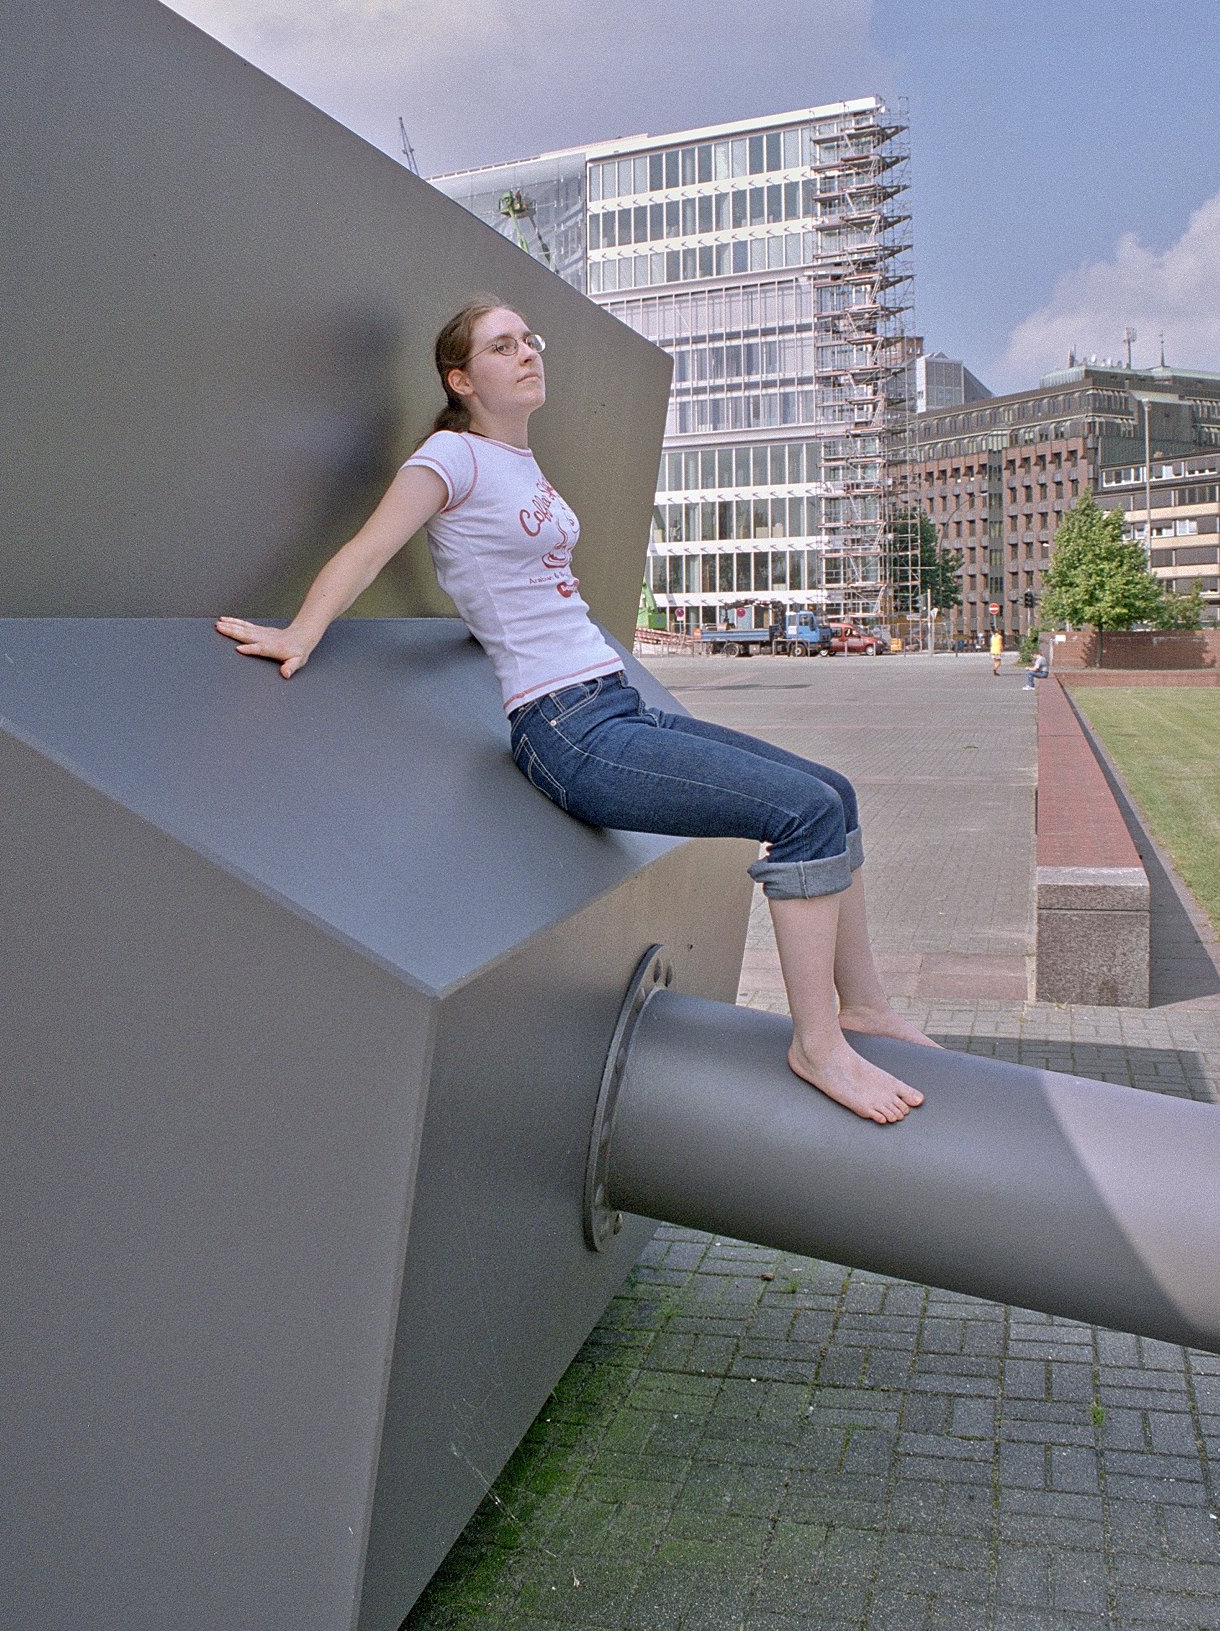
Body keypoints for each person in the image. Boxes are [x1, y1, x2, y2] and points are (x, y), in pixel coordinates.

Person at [216, 297, 929, 1125]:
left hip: (614, 701)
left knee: (832, 792)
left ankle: (865, 1006)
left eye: (529, 340)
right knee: (801, 814)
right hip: (567, 730)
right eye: (501, 346)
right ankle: (817, 1047)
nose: (525, 354)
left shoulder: (522, 465)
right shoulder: (450, 457)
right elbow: (370, 547)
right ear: (461, 378)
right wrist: (301, 632)